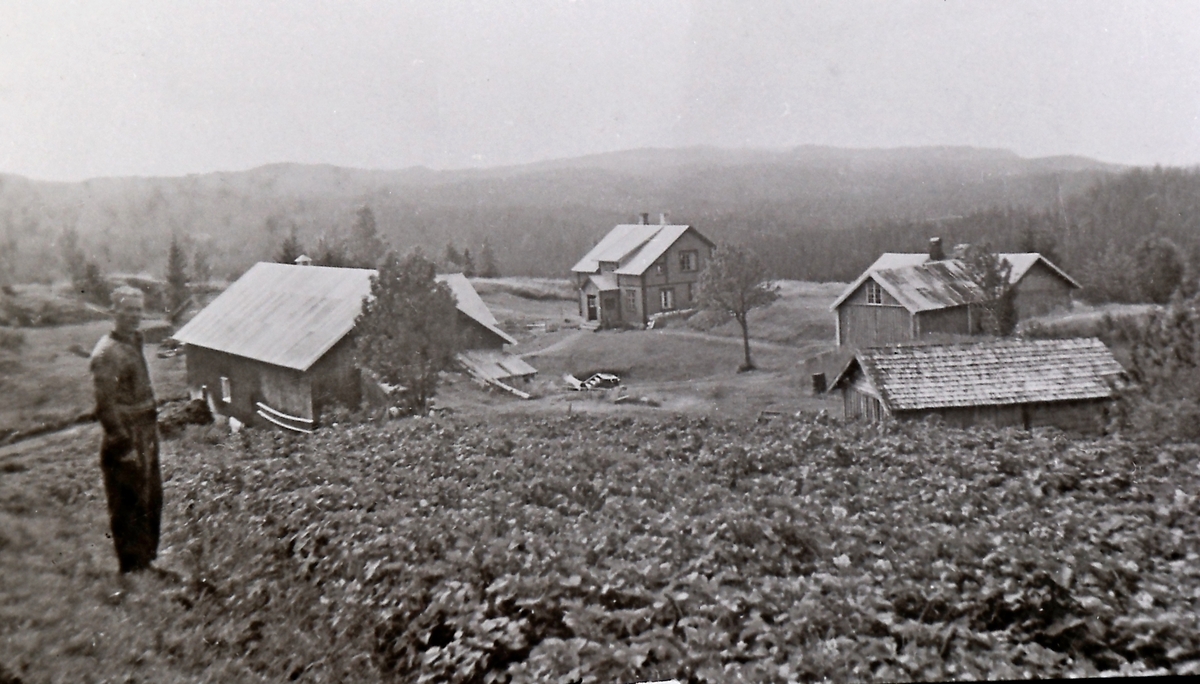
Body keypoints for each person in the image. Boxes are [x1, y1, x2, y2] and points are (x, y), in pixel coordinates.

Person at [89, 286, 162, 574]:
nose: (134, 315)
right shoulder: (106, 353)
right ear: (113, 312)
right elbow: (104, 407)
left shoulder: (135, 340)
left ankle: (147, 561)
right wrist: (124, 445)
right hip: (126, 435)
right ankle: (133, 569)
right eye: (127, 309)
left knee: (151, 497)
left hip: (146, 430)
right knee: (128, 501)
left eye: (138, 310)